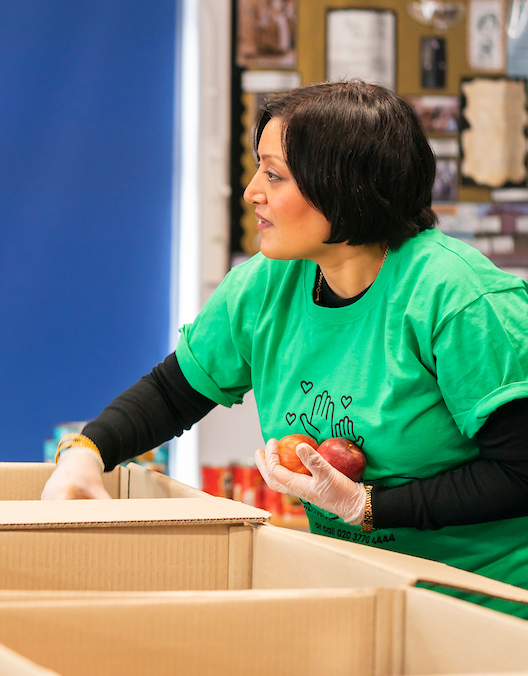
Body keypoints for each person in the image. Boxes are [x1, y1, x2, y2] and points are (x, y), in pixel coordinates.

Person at [42, 81, 528, 614]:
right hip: (355, 594)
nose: (252, 191)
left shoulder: (458, 298)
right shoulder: (265, 285)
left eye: (273, 174)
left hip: (484, 608)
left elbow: (520, 471)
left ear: (345, 187)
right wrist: (86, 454)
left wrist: (369, 506)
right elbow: (171, 393)